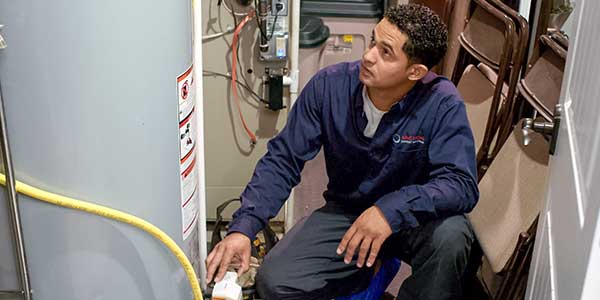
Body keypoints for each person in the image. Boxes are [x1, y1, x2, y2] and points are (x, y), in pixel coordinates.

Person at [206, 4, 479, 300]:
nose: (368, 55)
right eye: (374, 41)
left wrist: (389, 211)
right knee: (276, 282)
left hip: (416, 219)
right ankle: (370, 270)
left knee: (453, 236)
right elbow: (283, 160)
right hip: (348, 212)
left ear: (415, 71)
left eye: (385, 52)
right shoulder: (330, 86)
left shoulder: (441, 102)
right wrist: (243, 228)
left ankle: (379, 269)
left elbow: (460, 184)